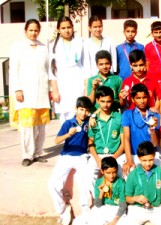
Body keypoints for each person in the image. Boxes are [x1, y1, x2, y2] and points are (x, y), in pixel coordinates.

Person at [9, 19, 51, 166]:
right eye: (31, 30)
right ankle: (27, 155)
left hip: (42, 93)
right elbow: (14, 70)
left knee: (41, 126)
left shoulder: (44, 48)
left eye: (36, 30)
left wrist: (51, 89)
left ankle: (38, 152)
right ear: (25, 31)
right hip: (25, 93)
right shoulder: (18, 47)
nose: (34, 33)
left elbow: (48, 70)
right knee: (27, 126)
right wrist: (17, 89)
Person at [48, 96, 93, 225]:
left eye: (86, 110)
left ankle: (86, 212)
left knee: (84, 183)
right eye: (81, 109)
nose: (83, 113)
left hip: (82, 156)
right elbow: (57, 140)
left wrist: (93, 118)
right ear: (76, 108)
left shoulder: (89, 121)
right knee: (53, 184)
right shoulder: (68, 123)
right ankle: (63, 210)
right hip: (66, 156)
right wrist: (69, 134)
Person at [124, 141, 161, 225]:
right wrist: (135, 198)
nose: (148, 163)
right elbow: (127, 198)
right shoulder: (133, 175)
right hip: (137, 209)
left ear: (154, 156)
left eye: (151, 160)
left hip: (157, 209)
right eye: (144, 160)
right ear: (138, 158)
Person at [87, 86, 125, 196]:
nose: (105, 104)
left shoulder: (119, 117)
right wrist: (98, 160)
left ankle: (122, 201)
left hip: (115, 155)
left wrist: (112, 158)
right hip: (98, 155)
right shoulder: (94, 119)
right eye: (102, 101)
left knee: (125, 172)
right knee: (88, 174)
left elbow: (123, 143)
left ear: (113, 101)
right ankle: (95, 199)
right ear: (97, 101)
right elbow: (90, 143)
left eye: (108, 101)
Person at [49, 16, 85, 124]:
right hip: (62, 85)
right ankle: (67, 140)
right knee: (64, 118)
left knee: (79, 113)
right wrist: (55, 90)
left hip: (77, 83)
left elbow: (86, 66)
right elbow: (51, 71)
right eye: (63, 28)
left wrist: (85, 88)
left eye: (69, 27)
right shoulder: (52, 46)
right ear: (58, 30)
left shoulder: (80, 43)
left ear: (73, 28)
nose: (67, 30)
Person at [72, 157, 127, 225]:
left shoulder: (121, 183)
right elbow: (97, 205)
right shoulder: (99, 182)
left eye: (114, 172)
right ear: (102, 171)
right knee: (77, 221)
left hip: (116, 210)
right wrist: (101, 193)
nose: (112, 176)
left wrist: (115, 221)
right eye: (108, 173)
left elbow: (123, 205)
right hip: (102, 208)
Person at [121, 83, 160, 176]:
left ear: (148, 97)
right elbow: (126, 138)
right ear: (133, 99)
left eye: (144, 97)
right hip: (134, 155)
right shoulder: (127, 114)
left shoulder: (155, 115)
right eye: (138, 98)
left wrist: (152, 129)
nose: (142, 101)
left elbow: (155, 144)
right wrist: (129, 160)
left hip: (150, 157)